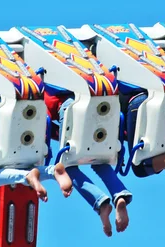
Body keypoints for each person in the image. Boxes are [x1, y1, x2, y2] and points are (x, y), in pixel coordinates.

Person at [44, 91, 132, 237]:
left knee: (66, 168)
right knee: (100, 160)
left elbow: (45, 122)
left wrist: (58, 137)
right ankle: (119, 195)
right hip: (100, 108)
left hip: (71, 110)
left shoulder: (46, 91)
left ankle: (101, 203)